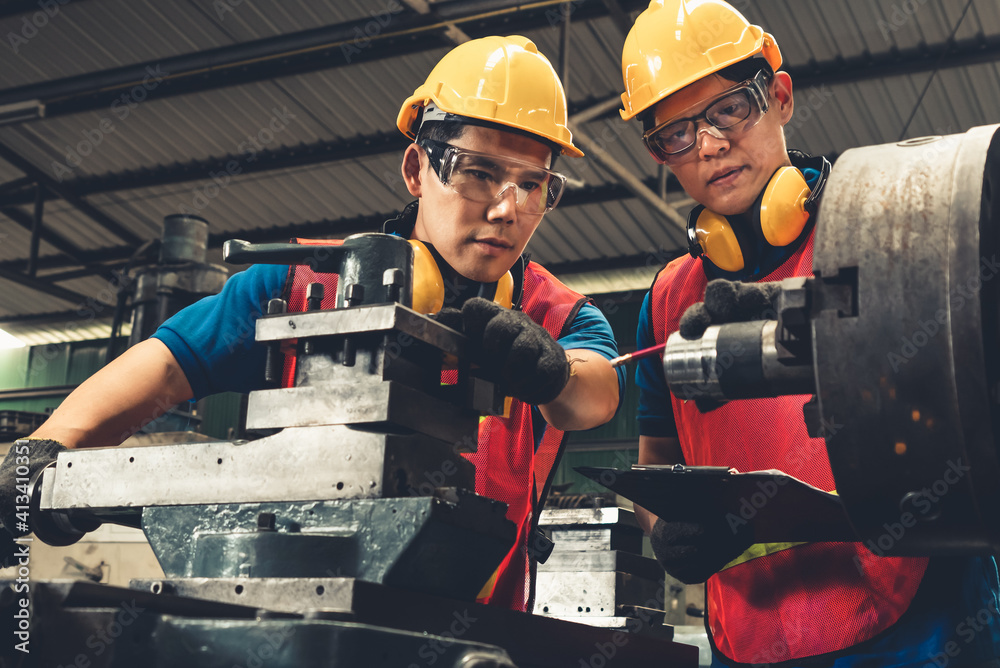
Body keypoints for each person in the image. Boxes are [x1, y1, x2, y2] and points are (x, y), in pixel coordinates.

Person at [1, 35, 623, 614]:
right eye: (478, 172)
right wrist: (40, 460)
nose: (505, 209)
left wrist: (550, 373)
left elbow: (593, 393)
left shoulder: (559, 316)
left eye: (532, 184)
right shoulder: (297, 286)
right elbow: (166, 367)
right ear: (416, 169)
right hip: (279, 611)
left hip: (473, 629)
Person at [619, 1, 1000, 666]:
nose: (708, 145)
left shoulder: (885, 228)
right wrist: (666, 531)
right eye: (674, 136)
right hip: (749, 637)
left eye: (727, 109)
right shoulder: (668, 299)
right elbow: (656, 466)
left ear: (781, 96)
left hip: (921, 625)